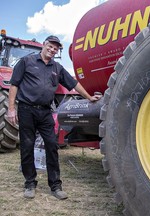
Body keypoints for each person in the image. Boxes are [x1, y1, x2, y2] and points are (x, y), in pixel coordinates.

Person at [7, 35, 102, 200]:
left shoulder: (57, 68)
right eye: (50, 46)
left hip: (45, 112)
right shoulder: (26, 61)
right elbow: (14, 84)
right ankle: (30, 183)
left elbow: (73, 84)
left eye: (56, 48)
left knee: (52, 146)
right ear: (44, 45)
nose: (52, 50)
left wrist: (88, 97)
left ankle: (55, 186)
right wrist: (10, 109)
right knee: (27, 146)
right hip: (26, 110)